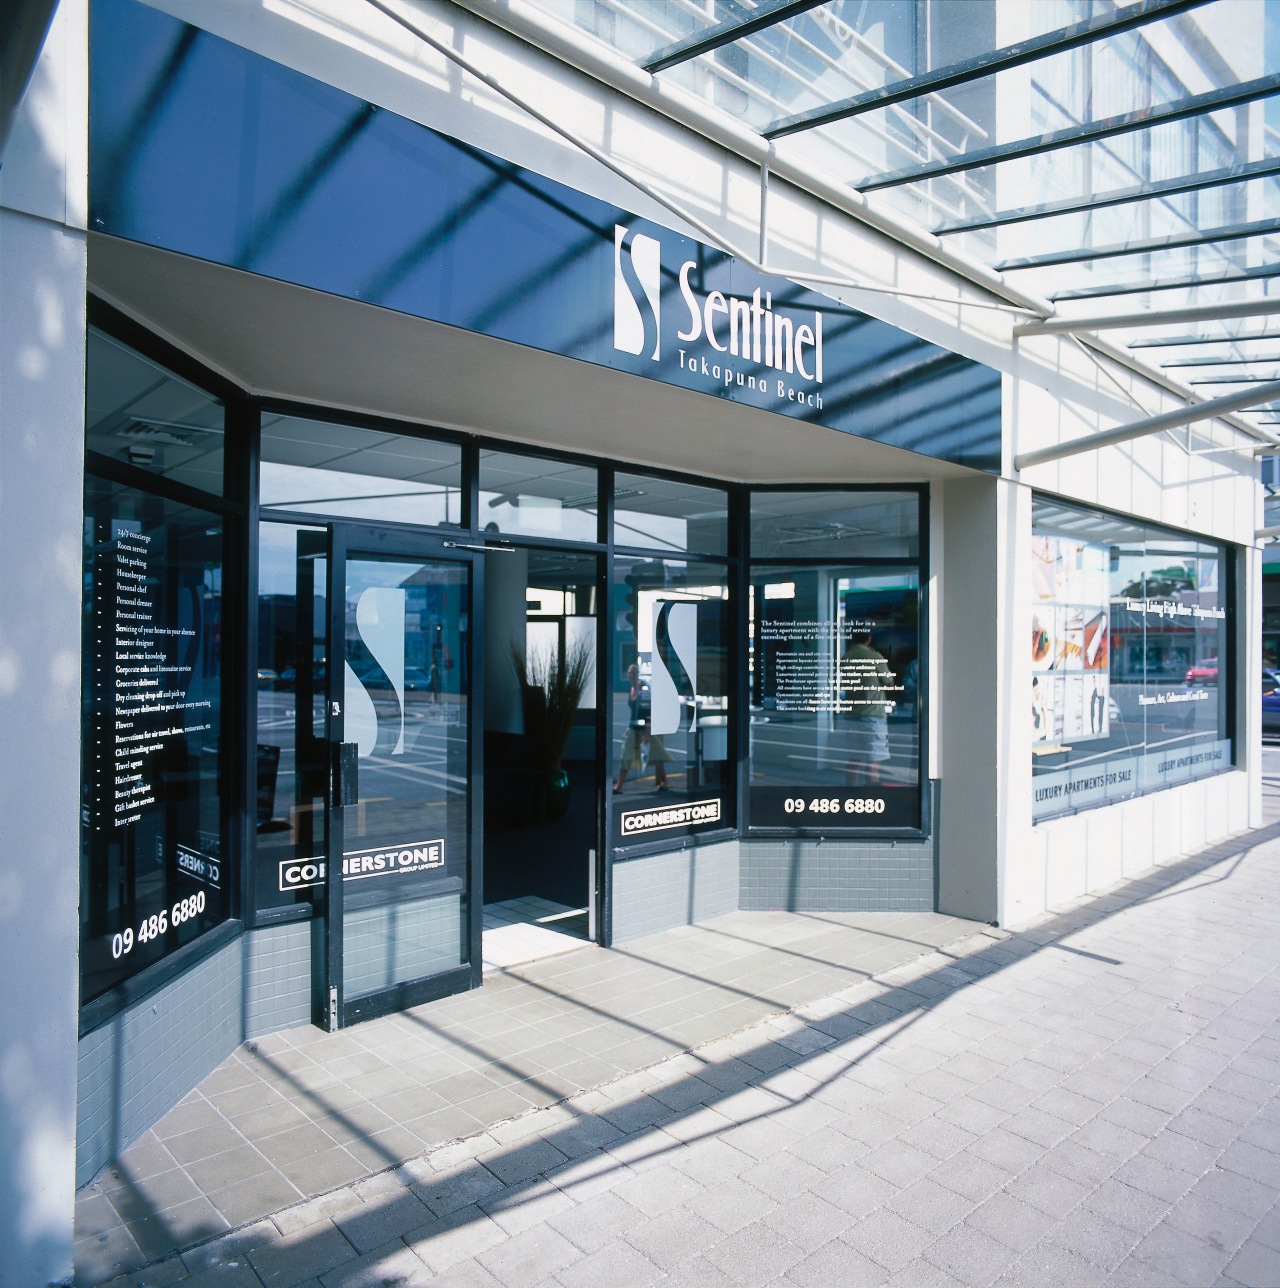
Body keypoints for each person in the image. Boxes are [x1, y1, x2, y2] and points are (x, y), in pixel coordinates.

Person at [841, 629, 892, 786]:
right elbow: (890, 684)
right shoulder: (874, 657)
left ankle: (851, 794)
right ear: (868, 638)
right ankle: (871, 797)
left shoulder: (845, 658)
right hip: (873, 716)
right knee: (873, 761)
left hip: (852, 715)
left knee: (854, 759)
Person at [613, 663, 669, 793]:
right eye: (629, 673)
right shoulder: (631, 689)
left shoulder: (644, 690)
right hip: (633, 728)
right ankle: (619, 786)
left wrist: (648, 732)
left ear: (638, 675)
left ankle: (665, 781)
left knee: (656, 754)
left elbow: (649, 712)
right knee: (625, 755)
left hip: (645, 729)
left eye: (633, 673)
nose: (631, 676)